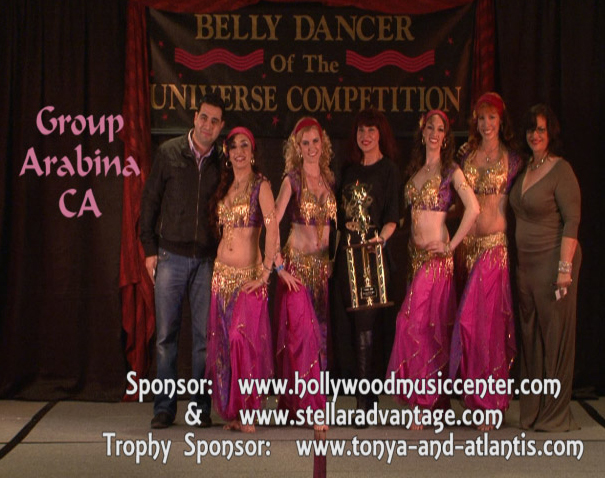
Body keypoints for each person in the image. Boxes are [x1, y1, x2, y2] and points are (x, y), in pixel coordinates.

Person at [386, 110, 480, 429]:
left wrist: (450, 246)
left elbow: (473, 208)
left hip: (436, 261)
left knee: (410, 323)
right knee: (426, 329)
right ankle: (430, 402)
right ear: (423, 132)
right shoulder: (415, 170)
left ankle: (423, 403)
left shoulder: (450, 170)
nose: (435, 133)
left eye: (441, 129)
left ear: (446, 136)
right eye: (430, 128)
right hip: (415, 259)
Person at [140, 92, 225, 429]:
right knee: (166, 337)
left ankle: (201, 408)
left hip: (206, 261)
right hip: (170, 256)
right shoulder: (169, 152)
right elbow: (149, 202)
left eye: (214, 121)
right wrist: (149, 249)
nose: (207, 125)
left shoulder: (223, 162)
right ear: (194, 117)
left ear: (221, 127)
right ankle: (164, 408)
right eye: (204, 117)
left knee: (204, 339)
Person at [448, 92, 522, 430]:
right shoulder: (465, 155)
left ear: (501, 121)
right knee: (471, 328)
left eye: (492, 117)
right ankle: (476, 401)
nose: (486, 124)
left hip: (494, 248)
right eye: (481, 118)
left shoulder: (513, 160)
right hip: (467, 248)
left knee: (485, 326)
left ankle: (491, 404)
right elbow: (456, 202)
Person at [510, 104, 581, 432]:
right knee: (530, 339)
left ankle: (554, 415)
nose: (535, 135)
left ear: (551, 132)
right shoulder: (525, 168)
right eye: (530, 130)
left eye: (541, 129)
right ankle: (533, 412)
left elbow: (572, 220)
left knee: (554, 340)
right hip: (526, 267)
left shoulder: (561, 169)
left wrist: (564, 269)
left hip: (554, 263)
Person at [205, 126, 277, 433]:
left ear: (253, 151)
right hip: (221, 277)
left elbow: (272, 228)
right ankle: (233, 412)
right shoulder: (225, 187)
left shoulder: (261, 185)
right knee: (223, 345)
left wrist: (266, 272)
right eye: (233, 146)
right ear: (227, 152)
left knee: (242, 341)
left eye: (244, 145)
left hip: (249, 278)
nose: (239, 152)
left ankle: (249, 409)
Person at [332, 107, 401, 423]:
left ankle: (365, 402)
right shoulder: (347, 170)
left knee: (367, 327)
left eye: (371, 130)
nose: (366, 136)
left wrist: (381, 239)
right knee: (349, 326)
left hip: (371, 256)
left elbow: (392, 216)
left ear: (381, 134)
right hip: (346, 254)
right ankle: (361, 396)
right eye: (361, 130)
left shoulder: (389, 170)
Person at [273, 117, 336, 431]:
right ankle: (313, 409)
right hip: (296, 270)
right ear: (297, 147)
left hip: (321, 272)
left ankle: (297, 405)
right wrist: (278, 265)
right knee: (304, 339)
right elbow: (272, 220)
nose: (311, 148)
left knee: (318, 341)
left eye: (315, 141)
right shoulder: (292, 180)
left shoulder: (329, 179)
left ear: (323, 144)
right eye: (305, 143)